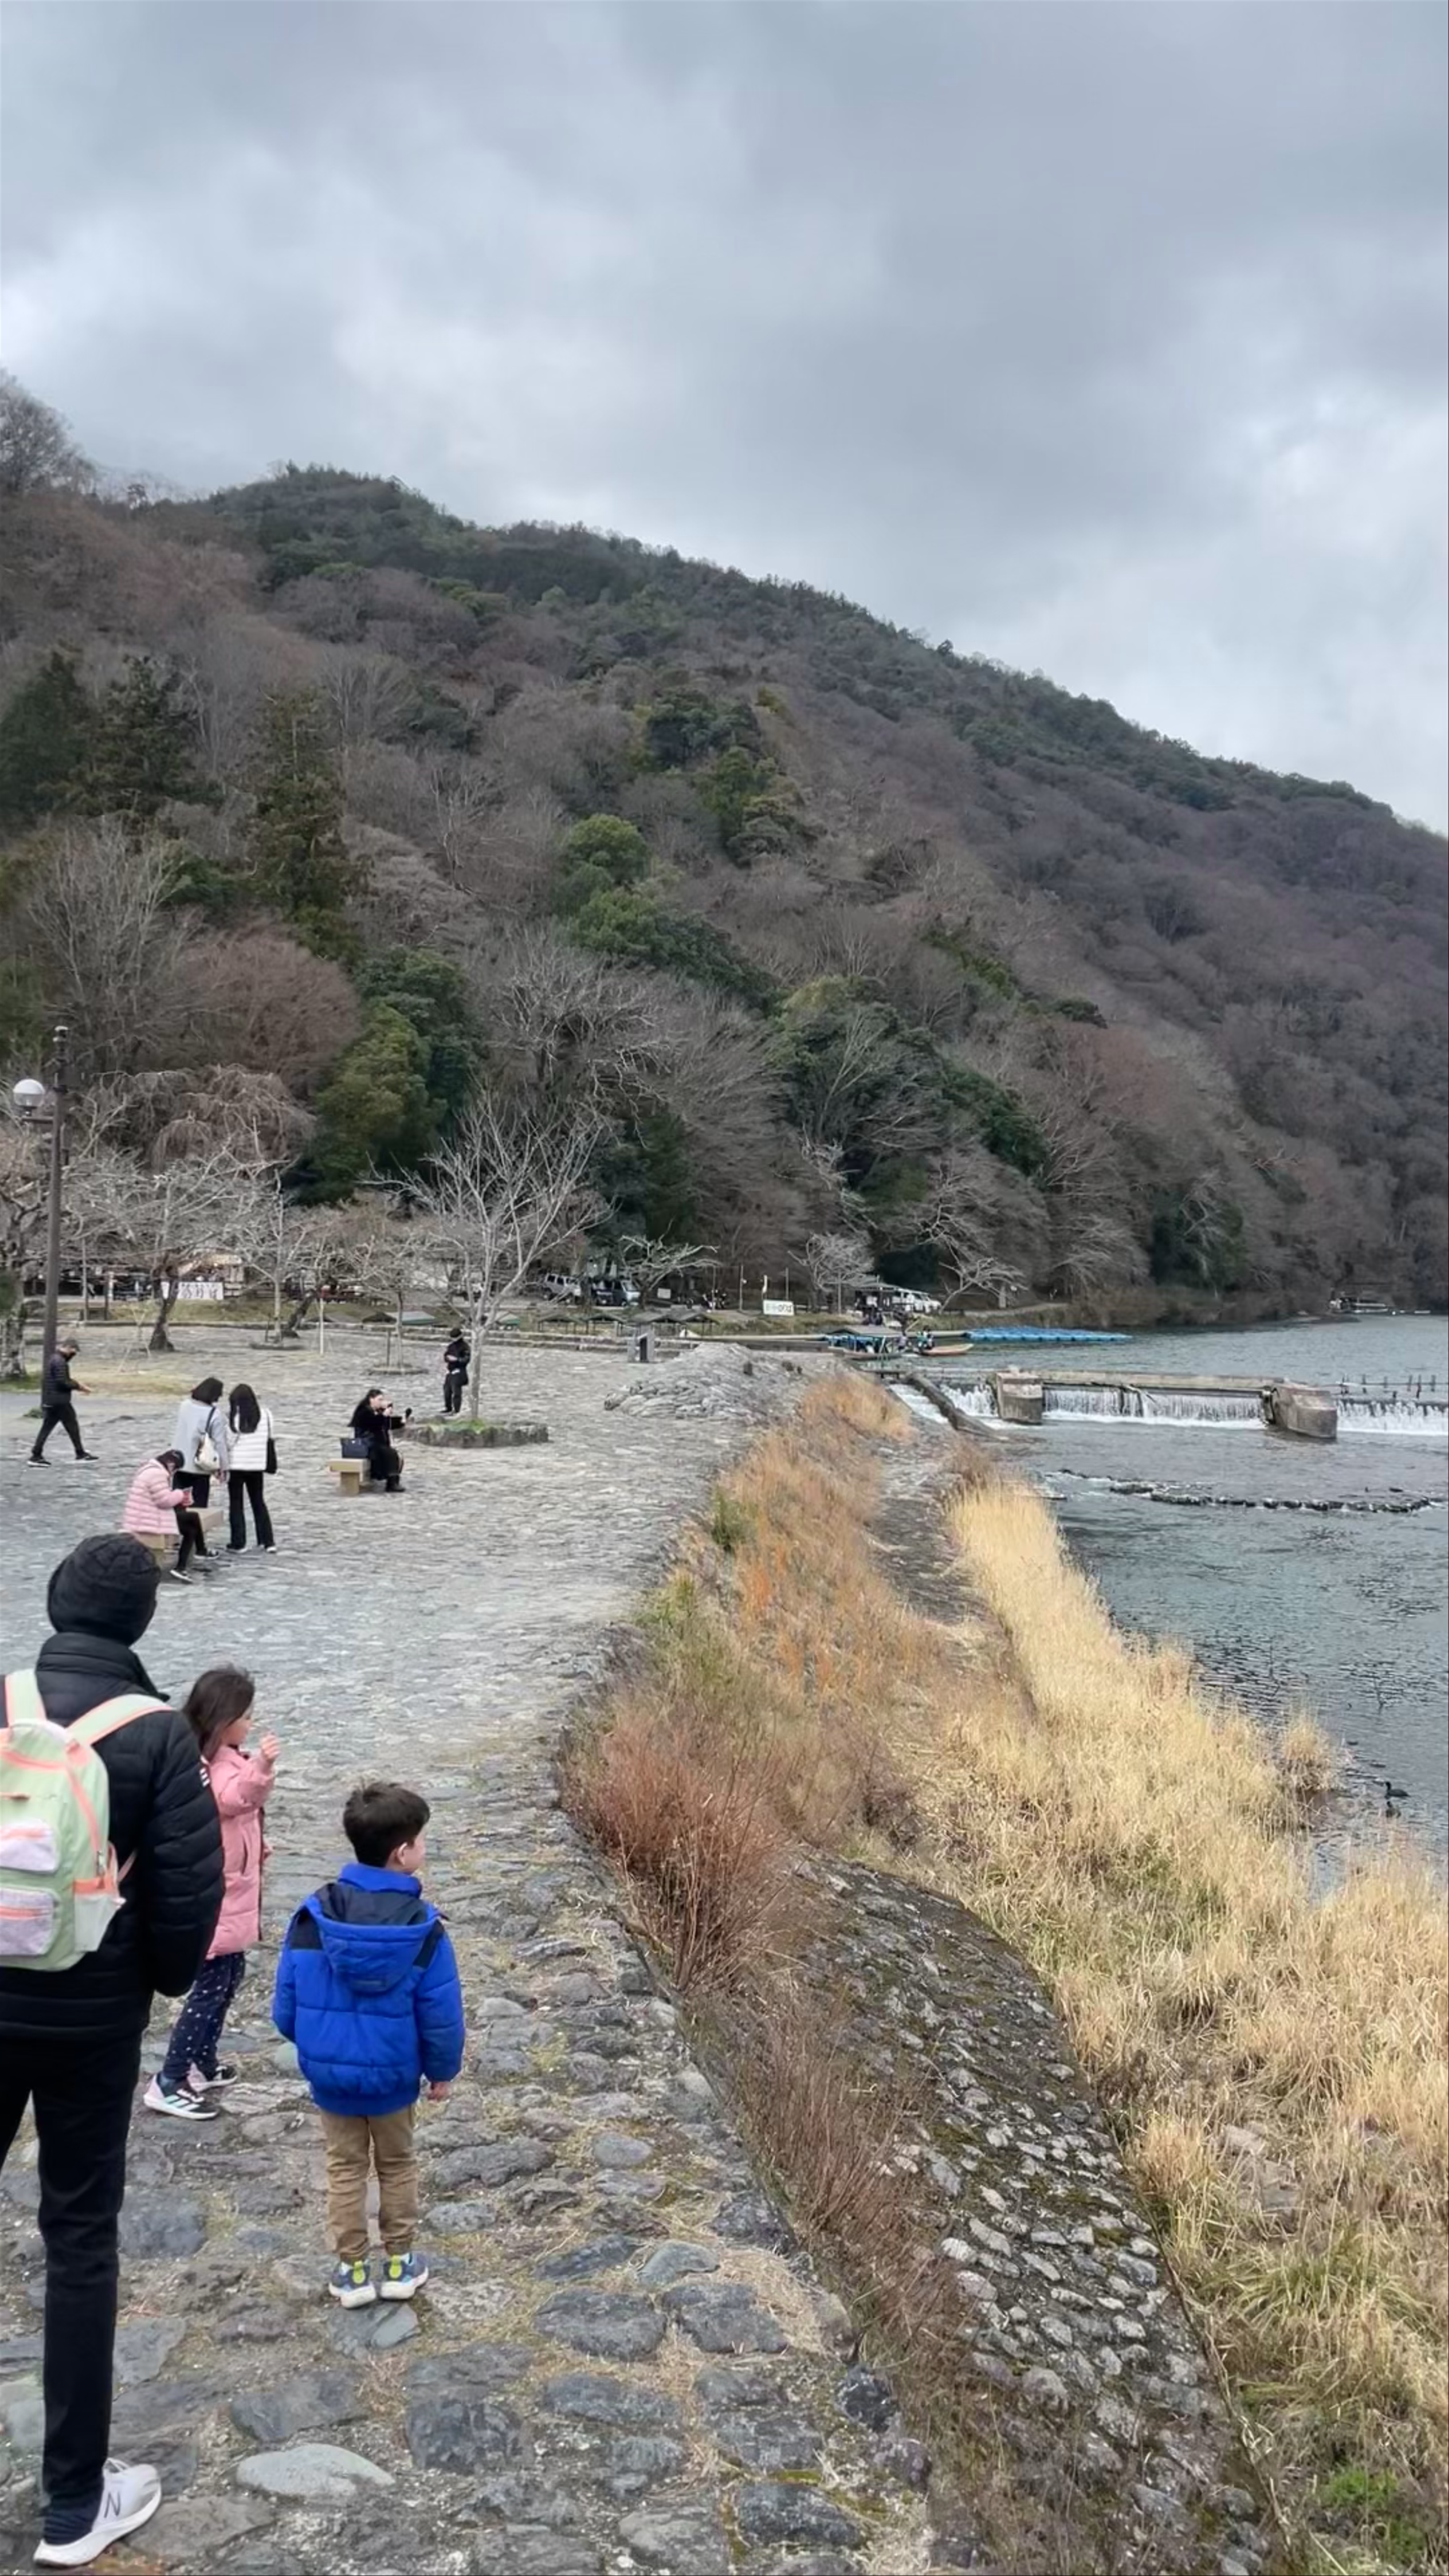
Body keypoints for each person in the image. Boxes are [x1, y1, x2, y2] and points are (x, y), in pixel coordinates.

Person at [0, 1535, 224, 2570]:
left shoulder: (4, 1704)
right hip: (92, 2020)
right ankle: (72, 2506)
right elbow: (187, 1900)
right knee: (81, 2239)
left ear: (52, 1603)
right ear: (142, 1624)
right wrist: (158, 1980)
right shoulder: (159, 1734)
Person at [272, 1779, 463, 2309]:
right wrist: (442, 2069)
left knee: (344, 2166)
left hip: (332, 2080)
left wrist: (317, 2045)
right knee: (398, 2163)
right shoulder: (423, 1929)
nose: (424, 1848)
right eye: (422, 1840)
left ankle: (353, 2269)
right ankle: (400, 2262)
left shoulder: (313, 1915)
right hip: (395, 2077)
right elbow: (440, 2013)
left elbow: (285, 2008)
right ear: (403, 1854)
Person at [146, 1667, 278, 2121]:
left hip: (231, 1890)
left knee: (229, 1978)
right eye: (245, 1714)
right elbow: (238, 1799)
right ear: (224, 1720)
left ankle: (202, 2060)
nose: (251, 1721)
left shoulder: (221, 1754)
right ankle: (170, 2077)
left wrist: (258, 1847)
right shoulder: (218, 1765)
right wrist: (263, 1766)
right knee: (209, 1989)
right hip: (220, 1897)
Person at [121, 1447, 214, 1585]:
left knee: (192, 1520)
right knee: (191, 1527)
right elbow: (164, 1501)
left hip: (145, 1514)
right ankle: (185, 1564)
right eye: (175, 1470)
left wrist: (179, 1498)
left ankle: (198, 1553)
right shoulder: (158, 1474)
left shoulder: (150, 1469)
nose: (174, 1473)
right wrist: (180, 1494)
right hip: (148, 1519)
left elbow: (160, 1497)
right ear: (171, 1465)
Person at [225, 1384, 277, 1553]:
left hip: (236, 1466)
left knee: (236, 1504)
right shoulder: (266, 1415)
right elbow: (271, 1436)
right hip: (257, 1465)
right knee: (258, 1502)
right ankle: (267, 1541)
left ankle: (238, 1542)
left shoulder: (233, 1418)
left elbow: (229, 1442)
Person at [28, 1338, 96, 1466]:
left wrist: (77, 1385)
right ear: (69, 1348)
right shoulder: (60, 1362)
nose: (74, 1354)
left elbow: (61, 1379)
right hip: (60, 1401)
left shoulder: (55, 1359)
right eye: (74, 1351)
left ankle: (36, 1454)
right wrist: (79, 1386)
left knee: (48, 1427)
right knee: (72, 1426)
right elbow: (63, 1382)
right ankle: (80, 1453)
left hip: (51, 1400)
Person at [172, 1377, 229, 1511]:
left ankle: (177, 1529)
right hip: (200, 1466)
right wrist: (224, 1467)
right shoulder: (215, 1414)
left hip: (179, 1463)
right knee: (198, 1509)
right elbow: (220, 1443)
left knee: (178, 1505)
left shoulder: (184, 1405)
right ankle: (194, 1531)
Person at [347, 1389, 406, 1492]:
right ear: (371, 1399)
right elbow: (374, 1423)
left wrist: (400, 1422)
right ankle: (392, 1483)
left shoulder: (377, 1412)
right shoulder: (364, 1412)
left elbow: (385, 1424)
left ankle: (393, 1480)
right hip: (367, 1443)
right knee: (390, 1454)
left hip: (377, 1443)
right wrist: (384, 1415)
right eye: (380, 1400)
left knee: (392, 1453)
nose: (381, 1402)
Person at [441, 1332, 470, 1416]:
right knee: (447, 1391)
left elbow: (466, 1360)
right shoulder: (451, 1346)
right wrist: (448, 1358)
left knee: (456, 1392)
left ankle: (457, 1409)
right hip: (450, 1371)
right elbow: (446, 1356)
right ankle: (448, 1408)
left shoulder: (465, 1347)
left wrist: (457, 1360)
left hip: (459, 1371)